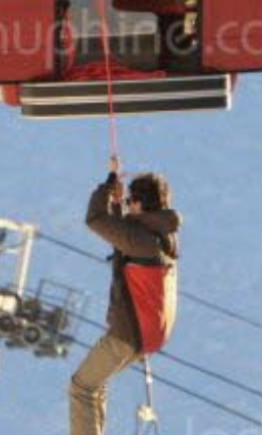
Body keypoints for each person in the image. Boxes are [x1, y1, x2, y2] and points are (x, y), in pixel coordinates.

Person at [70, 156, 181, 435]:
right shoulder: (159, 237)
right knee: (95, 385)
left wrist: (108, 183)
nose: (129, 203)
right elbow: (124, 234)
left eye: (132, 199)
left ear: (141, 204)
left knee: (82, 388)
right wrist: (118, 202)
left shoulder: (141, 241)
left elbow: (95, 219)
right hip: (147, 334)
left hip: (128, 334)